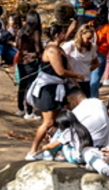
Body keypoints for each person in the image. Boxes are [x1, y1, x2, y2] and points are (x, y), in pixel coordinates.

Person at [24, 24, 82, 157]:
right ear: (57, 35)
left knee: (61, 120)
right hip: (48, 89)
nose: (66, 35)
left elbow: (67, 68)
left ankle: (54, 149)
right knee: (48, 122)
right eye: (63, 33)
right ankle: (32, 151)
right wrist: (77, 76)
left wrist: (75, 83)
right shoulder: (51, 50)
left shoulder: (59, 48)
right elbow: (60, 71)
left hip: (59, 88)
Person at [15, 11, 42, 115]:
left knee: (22, 85)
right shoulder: (35, 31)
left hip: (21, 60)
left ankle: (20, 109)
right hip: (31, 61)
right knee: (30, 86)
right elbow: (38, 48)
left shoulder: (21, 30)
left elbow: (17, 45)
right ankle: (29, 111)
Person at [62, 23, 98, 97]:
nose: (90, 41)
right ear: (81, 35)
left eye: (91, 38)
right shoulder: (70, 46)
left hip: (85, 80)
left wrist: (87, 70)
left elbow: (96, 63)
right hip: (72, 81)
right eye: (88, 38)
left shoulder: (92, 47)